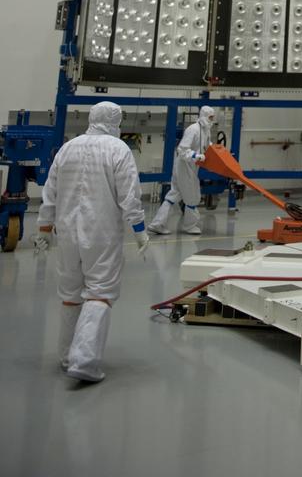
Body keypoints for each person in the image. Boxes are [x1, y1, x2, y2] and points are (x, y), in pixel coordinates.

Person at [35, 100, 149, 383]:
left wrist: (44, 229)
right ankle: (84, 360)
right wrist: (140, 231)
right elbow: (130, 196)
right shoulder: (118, 149)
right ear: (115, 121)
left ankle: (66, 357)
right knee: (100, 292)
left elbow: (50, 191)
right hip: (102, 233)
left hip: (67, 233)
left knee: (71, 294)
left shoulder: (68, 148)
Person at [149, 105, 216, 235]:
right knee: (193, 196)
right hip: (185, 166)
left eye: (213, 117)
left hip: (190, 166)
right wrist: (196, 156)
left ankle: (157, 224)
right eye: (210, 117)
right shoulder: (193, 129)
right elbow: (182, 149)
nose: (211, 120)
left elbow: (207, 145)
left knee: (174, 195)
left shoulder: (206, 130)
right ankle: (189, 225)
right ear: (204, 116)